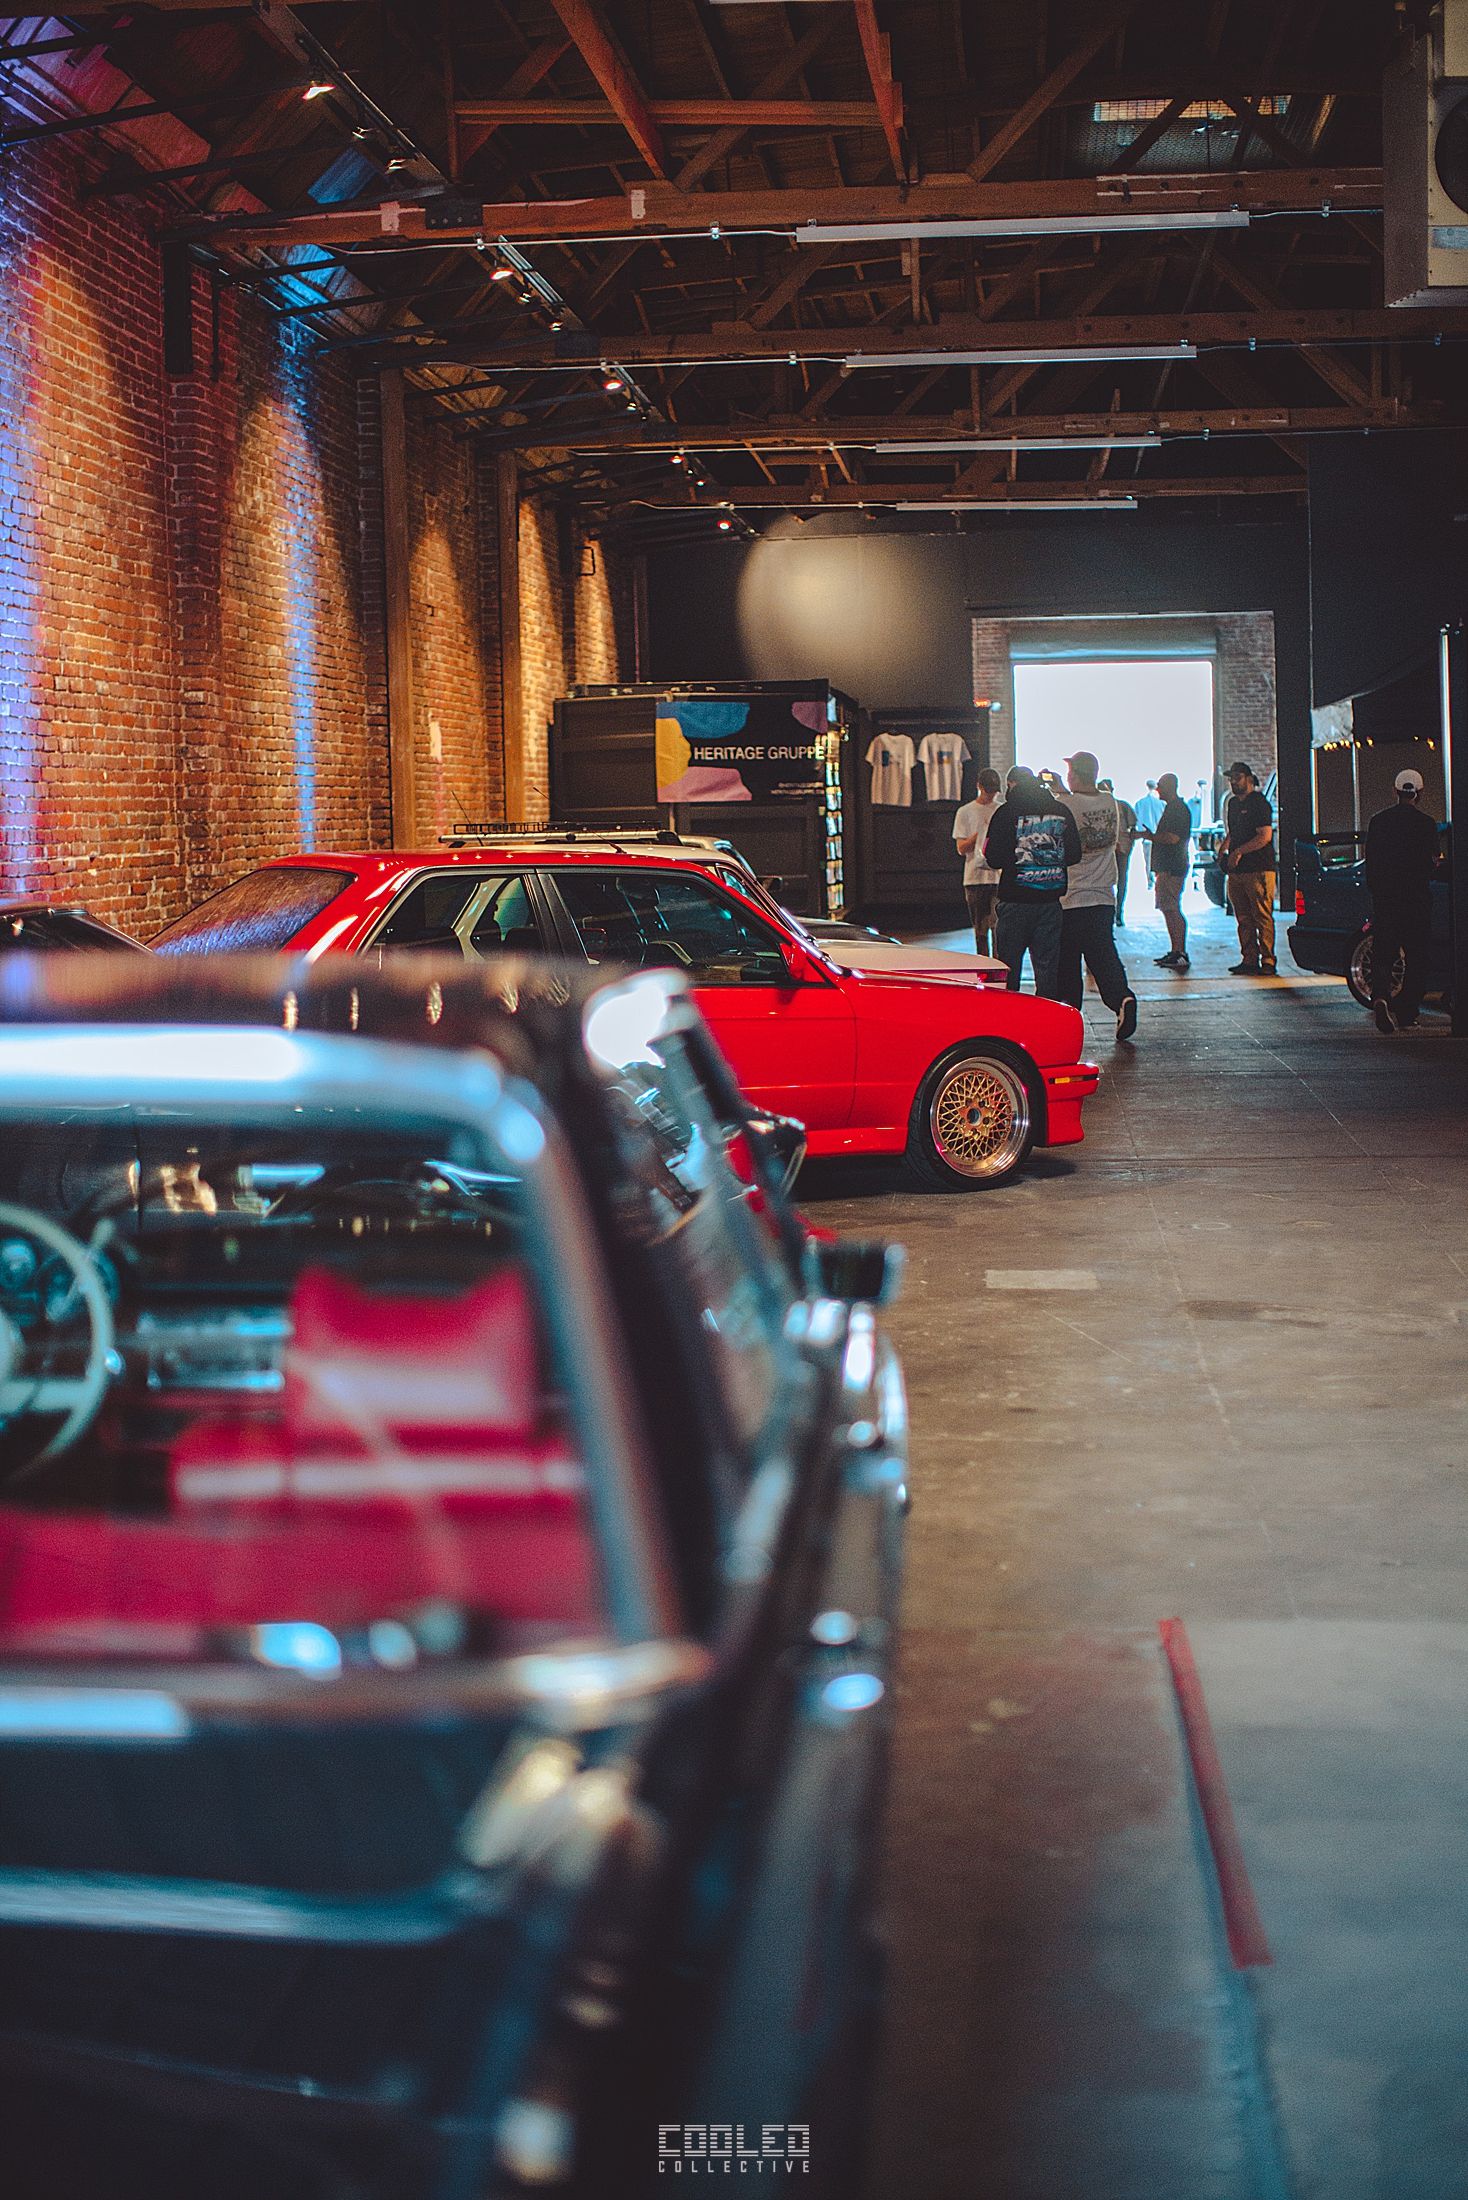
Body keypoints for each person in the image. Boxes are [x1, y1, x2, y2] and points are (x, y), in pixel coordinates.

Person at [1056, 752, 1139, 1041]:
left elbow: (1067, 810)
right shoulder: (1109, 801)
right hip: (1104, 895)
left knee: (1067, 961)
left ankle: (1068, 1016)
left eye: (1070, 773)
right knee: (1103, 954)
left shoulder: (1067, 804)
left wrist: (1057, 790)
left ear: (1076, 775)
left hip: (1071, 895)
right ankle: (1122, 998)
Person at [982, 766, 1081, 1000]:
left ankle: (1010, 1017)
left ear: (1012, 784)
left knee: (1008, 969)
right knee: (1047, 970)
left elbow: (993, 858)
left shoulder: (1005, 813)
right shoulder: (1060, 810)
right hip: (1050, 902)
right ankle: (1046, 1015)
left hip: (1014, 900)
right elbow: (1075, 854)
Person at [1365, 767, 1441, 1034]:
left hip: (1386, 901)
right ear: (1419, 793)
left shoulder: (1378, 821)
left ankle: (1381, 997)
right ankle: (1407, 1013)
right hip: (1416, 901)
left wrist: (1378, 893)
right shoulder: (1427, 824)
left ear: (1395, 792)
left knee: (1384, 954)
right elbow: (1433, 862)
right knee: (1417, 958)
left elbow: (1371, 864)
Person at [1221, 760, 1277, 976]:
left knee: (1262, 915)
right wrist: (1224, 849)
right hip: (1237, 871)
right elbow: (1233, 832)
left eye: (1238, 778)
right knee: (1243, 917)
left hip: (1259, 868)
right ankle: (1249, 958)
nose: (1234, 782)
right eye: (1231, 779)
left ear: (1249, 779)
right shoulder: (1233, 804)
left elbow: (1265, 836)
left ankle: (1268, 960)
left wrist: (1239, 852)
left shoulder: (1259, 804)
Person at [953, 767, 1003, 955]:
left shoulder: (1000, 810)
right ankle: (983, 964)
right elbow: (961, 848)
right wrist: (979, 836)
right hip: (975, 878)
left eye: (994, 792)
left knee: (999, 928)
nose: (991, 796)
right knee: (980, 929)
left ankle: (998, 964)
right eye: (988, 791)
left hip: (998, 878)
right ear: (979, 787)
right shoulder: (965, 812)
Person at [1151, 771, 1193, 971]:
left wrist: (1149, 836)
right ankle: (1175, 950)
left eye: (1160, 785)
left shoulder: (1178, 810)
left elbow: (1173, 838)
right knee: (1168, 908)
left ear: (1170, 787)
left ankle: (1180, 952)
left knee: (1172, 908)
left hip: (1172, 868)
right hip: (1167, 867)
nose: (1157, 789)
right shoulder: (1172, 808)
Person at [1102, 780, 1138, 921]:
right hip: (1104, 851)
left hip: (1122, 848)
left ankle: (1119, 911)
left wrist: (1128, 844)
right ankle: (1109, 911)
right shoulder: (1096, 809)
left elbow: (1133, 827)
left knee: (1121, 880)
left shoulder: (1122, 806)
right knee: (1105, 881)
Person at [1135, 780, 1164, 882]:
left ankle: (1150, 882)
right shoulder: (1162, 804)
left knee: (1148, 861)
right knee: (1160, 860)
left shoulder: (1139, 803)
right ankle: (1158, 880)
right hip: (1160, 838)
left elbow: (1137, 822)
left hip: (1146, 838)